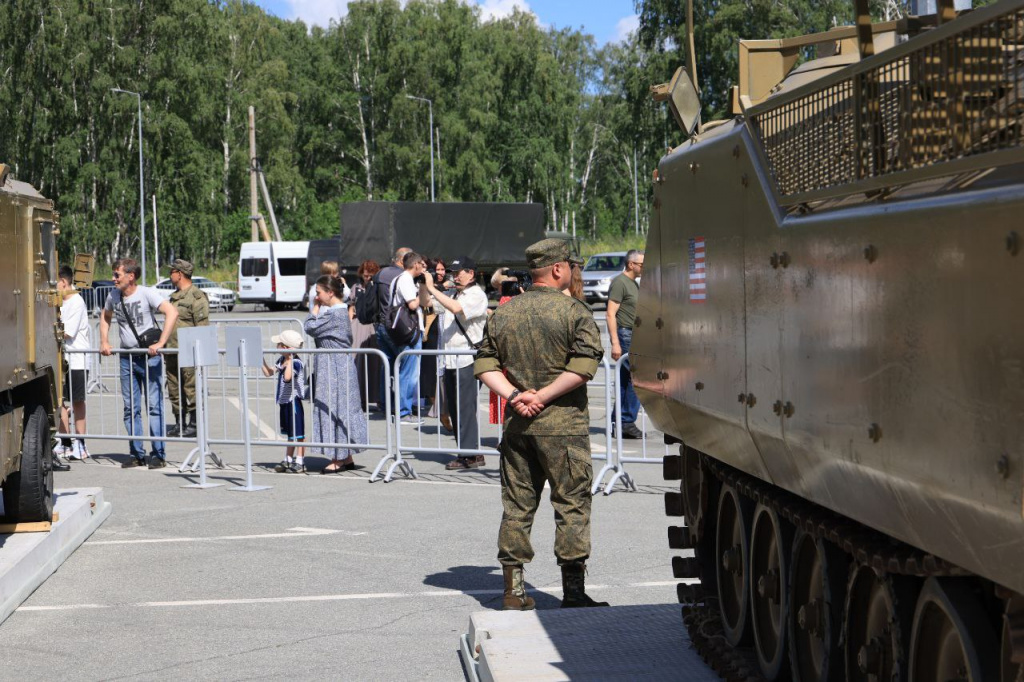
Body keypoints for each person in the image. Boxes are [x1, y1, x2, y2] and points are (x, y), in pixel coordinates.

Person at [474, 238, 608, 610]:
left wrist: (516, 397)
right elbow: (583, 367)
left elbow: (484, 364)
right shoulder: (575, 312)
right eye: (571, 266)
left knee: (517, 506)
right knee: (572, 505)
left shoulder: (504, 312)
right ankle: (574, 593)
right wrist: (544, 396)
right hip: (563, 427)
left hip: (518, 427)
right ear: (558, 269)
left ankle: (513, 593)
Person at [100, 258, 179, 469]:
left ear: (130, 276)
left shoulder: (146, 293)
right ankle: (136, 453)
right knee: (130, 408)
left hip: (149, 357)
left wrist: (162, 342)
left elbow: (172, 312)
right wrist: (105, 341)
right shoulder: (113, 296)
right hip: (126, 357)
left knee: (154, 406)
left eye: (117, 275)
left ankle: (158, 454)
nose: (113, 279)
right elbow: (105, 316)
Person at [424, 255, 488, 470]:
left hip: (467, 358)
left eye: (458, 272)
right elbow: (428, 306)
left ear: (470, 273)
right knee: (455, 408)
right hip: (451, 358)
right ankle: (470, 452)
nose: (454, 276)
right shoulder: (453, 293)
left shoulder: (476, 295)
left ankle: (469, 455)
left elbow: (456, 309)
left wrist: (434, 289)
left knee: (465, 407)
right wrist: (425, 286)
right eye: (452, 272)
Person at [305, 275, 368, 474]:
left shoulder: (334, 314)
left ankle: (338, 457)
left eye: (319, 293)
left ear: (330, 292)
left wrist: (314, 309)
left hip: (334, 366)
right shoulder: (338, 311)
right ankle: (345, 455)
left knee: (335, 406)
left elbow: (309, 327)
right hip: (334, 364)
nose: (316, 296)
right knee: (338, 406)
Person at [375, 249, 426, 424]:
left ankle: (393, 407)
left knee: (395, 369)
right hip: (407, 331)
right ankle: (403, 412)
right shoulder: (405, 279)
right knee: (408, 372)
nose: (424, 268)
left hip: (394, 329)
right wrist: (425, 293)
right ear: (416, 264)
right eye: (423, 265)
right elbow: (412, 304)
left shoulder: (400, 278)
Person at [165, 259, 209, 439]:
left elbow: (203, 327)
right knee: (174, 386)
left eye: (172, 272)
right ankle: (179, 422)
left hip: (190, 350)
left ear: (180, 274)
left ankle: (194, 423)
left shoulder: (197, 297)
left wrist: (202, 354)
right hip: (172, 349)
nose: (170, 275)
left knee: (191, 387)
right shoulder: (174, 296)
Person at [607, 249, 645, 440]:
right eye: (641, 265)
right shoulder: (620, 283)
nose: (643, 268)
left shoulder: (632, 284)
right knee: (636, 378)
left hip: (633, 334)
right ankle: (627, 421)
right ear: (631, 264)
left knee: (626, 379)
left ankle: (619, 422)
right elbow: (610, 314)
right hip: (625, 334)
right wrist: (615, 343)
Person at [54, 266, 89, 468]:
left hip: (78, 359)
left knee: (77, 401)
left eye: (55, 283)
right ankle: (65, 441)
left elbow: (67, 332)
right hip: (63, 359)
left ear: (63, 282)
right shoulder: (61, 301)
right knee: (61, 401)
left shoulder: (76, 301)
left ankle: (81, 444)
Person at [262, 330, 307, 473]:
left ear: (286, 347)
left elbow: (287, 378)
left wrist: (291, 358)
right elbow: (269, 372)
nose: (276, 346)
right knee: (290, 434)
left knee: (298, 434)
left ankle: (300, 461)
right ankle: (288, 459)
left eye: (279, 344)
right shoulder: (281, 361)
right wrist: (260, 360)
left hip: (293, 402)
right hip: (284, 402)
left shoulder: (296, 363)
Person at [348, 260, 382, 410]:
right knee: (358, 362)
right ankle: (359, 398)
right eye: (365, 274)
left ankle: (378, 399)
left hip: (374, 326)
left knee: (376, 363)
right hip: (358, 326)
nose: (367, 277)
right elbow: (351, 307)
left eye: (370, 274)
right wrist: (349, 326)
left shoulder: (378, 287)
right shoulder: (356, 288)